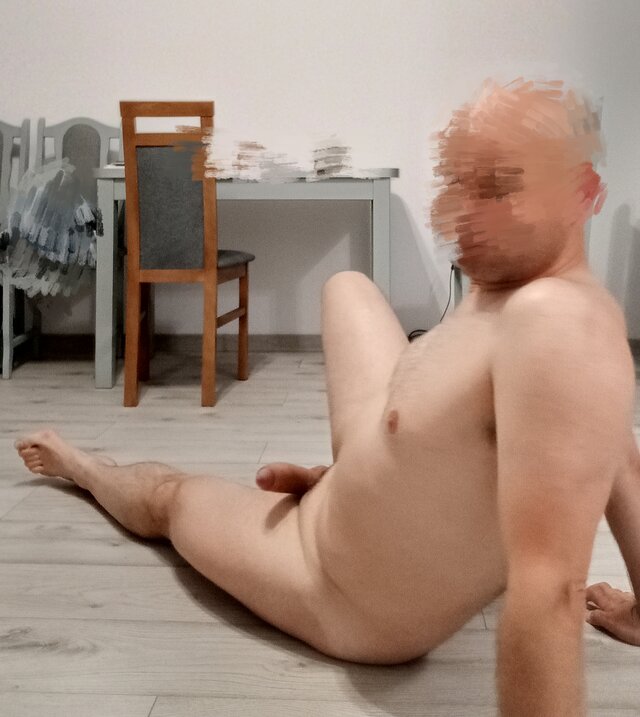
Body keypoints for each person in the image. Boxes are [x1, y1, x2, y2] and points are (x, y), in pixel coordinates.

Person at [15, 77, 640, 716]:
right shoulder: (522, 294)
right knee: (348, 285)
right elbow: (622, 457)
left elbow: (547, 593)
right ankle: (347, 474)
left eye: (501, 188)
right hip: (366, 496)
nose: (465, 215)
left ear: (583, 193)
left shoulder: (555, 322)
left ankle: (83, 467)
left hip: (336, 580)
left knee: (172, 499)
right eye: (461, 184)